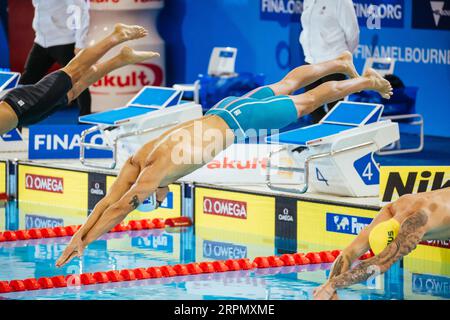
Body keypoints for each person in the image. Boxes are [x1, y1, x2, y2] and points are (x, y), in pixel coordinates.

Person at [56, 51, 393, 267]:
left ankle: (365, 81)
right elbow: (107, 201)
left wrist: (88, 240)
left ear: (149, 192)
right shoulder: (137, 161)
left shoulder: (150, 176)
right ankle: (338, 62)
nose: (160, 198)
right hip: (224, 110)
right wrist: (79, 235)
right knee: (286, 83)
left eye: (154, 200)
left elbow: (119, 208)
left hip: (240, 121)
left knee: (307, 101)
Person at [0, 24, 159, 135]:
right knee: (72, 92)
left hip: (19, 105)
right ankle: (121, 59)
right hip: (23, 116)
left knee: (73, 71)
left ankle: (116, 35)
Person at [314, 187, 450, 300]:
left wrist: (331, 285)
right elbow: (349, 253)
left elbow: (382, 263)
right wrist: (330, 290)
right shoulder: (392, 209)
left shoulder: (417, 222)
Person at [20, 0, 92, 116]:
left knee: (77, 79)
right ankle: (17, 118)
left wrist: (80, 43)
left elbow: (80, 10)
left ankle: (85, 119)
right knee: (26, 81)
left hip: (64, 41)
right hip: (41, 41)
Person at [300, 0, 360, 123]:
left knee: (335, 108)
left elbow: (353, 33)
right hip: (311, 62)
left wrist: (343, 57)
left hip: (334, 62)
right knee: (311, 106)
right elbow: (308, 28)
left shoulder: (342, 2)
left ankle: (339, 138)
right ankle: (322, 136)